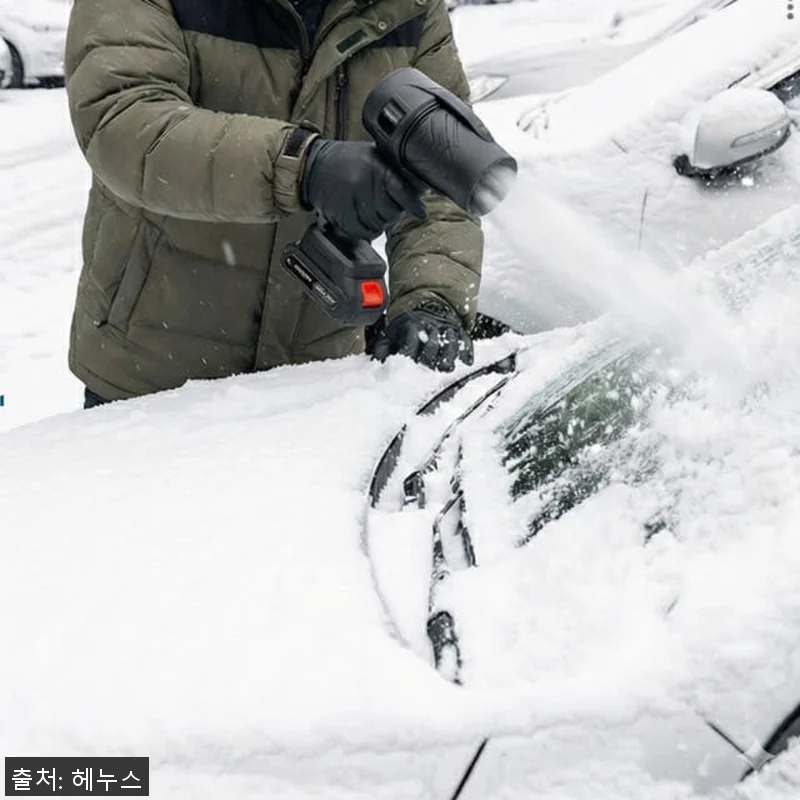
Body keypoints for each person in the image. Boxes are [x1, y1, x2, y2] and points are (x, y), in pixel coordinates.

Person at [65, 0, 484, 410]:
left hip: (313, 385)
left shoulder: (410, 6)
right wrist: (302, 166)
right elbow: (125, 123)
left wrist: (432, 298)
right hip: (150, 381)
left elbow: (441, 172)